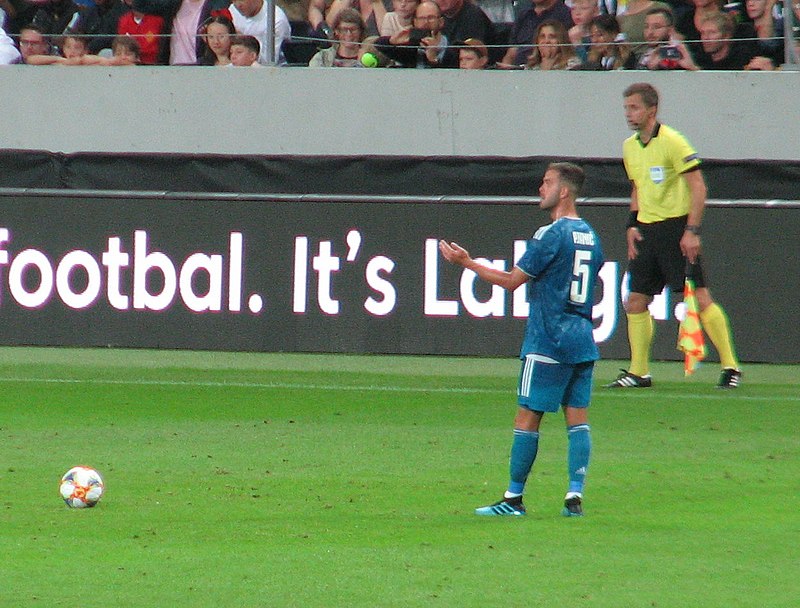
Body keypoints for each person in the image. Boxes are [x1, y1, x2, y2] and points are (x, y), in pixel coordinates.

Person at [439, 162, 604, 518]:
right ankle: (574, 495)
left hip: (548, 339)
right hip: (582, 339)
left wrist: (467, 263)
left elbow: (512, 281)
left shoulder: (550, 234)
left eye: (546, 183)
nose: (540, 189)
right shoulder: (591, 235)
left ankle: (513, 499)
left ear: (563, 191)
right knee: (577, 419)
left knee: (526, 418)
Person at [606, 83, 742, 390]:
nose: (629, 113)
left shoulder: (673, 142)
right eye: (626, 108)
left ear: (651, 110)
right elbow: (637, 187)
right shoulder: (630, 146)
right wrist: (631, 224)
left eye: (634, 107)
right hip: (646, 231)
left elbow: (699, 187)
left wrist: (692, 231)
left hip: (675, 229)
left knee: (700, 297)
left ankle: (731, 366)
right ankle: (639, 372)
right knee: (636, 300)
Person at [374, 0, 457, 67]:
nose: (426, 22)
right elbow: (379, 45)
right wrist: (391, 41)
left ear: (441, 22)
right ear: (415, 22)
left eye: (431, 18)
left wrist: (433, 60)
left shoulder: (451, 48)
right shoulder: (410, 47)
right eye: (421, 18)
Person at [499, 0, 572, 67]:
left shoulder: (566, 15)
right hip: (518, 72)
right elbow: (510, 54)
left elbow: (566, 51)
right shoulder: (524, 14)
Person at [623, 5, 696, 69]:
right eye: (646, 27)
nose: (650, 32)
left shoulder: (677, 51)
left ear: (670, 30)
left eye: (657, 27)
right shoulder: (639, 55)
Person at [229, 0, 290, 64]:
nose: (238, 5)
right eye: (234, 0)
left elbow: (268, 61)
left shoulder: (276, 20)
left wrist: (245, 42)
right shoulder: (233, 10)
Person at [117, 0, 166, 64]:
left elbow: (153, 46)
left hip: (151, 63)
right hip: (128, 62)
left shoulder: (156, 21)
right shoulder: (124, 20)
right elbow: (121, 43)